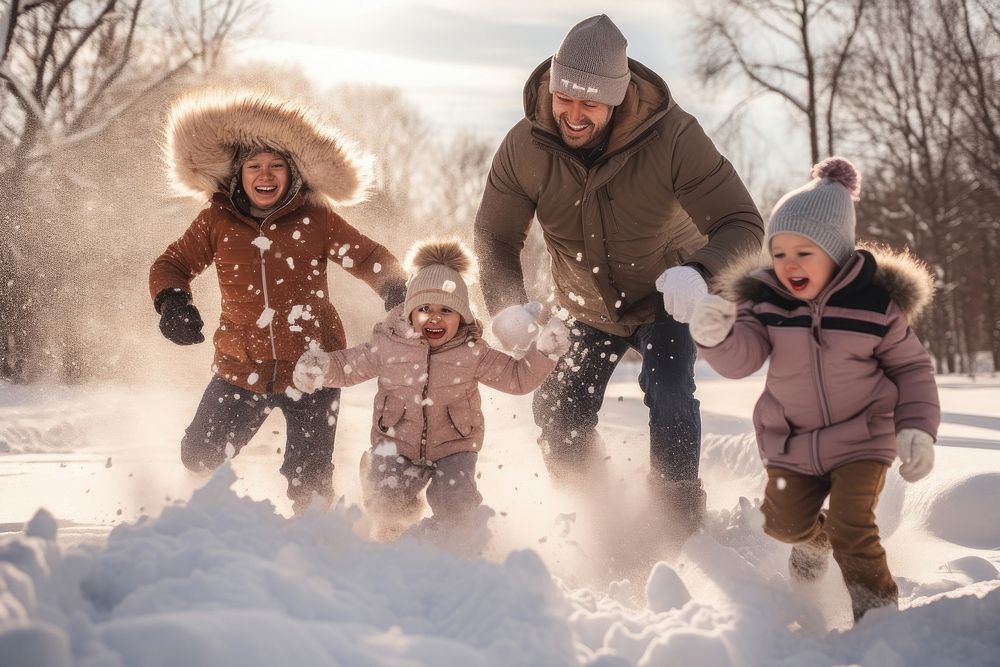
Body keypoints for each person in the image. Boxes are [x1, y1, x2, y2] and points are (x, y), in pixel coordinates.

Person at [473, 14, 764, 533]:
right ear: (552, 86)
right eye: (565, 98)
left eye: (590, 103)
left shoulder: (674, 135)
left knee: (671, 390)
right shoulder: (526, 146)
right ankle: (590, 507)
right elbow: (495, 237)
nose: (574, 114)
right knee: (559, 408)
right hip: (584, 305)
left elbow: (742, 224)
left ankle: (677, 517)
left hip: (667, 296)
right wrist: (506, 304)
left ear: (618, 96)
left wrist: (700, 273)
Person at [689, 157, 941, 622]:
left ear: (837, 252)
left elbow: (913, 371)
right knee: (783, 524)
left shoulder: (875, 307)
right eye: (779, 252)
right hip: (793, 443)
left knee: (852, 525)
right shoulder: (767, 301)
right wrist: (716, 337)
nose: (789, 265)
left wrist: (918, 429)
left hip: (864, 440)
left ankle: (878, 615)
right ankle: (813, 549)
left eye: (804, 253)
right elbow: (742, 359)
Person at [149, 90, 407, 515]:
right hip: (239, 367)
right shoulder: (218, 219)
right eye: (254, 166)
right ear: (238, 173)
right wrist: (173, 302)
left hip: (311, 369)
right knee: (198, 455)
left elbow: (367, 257)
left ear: (293, 172)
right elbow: (172, 262)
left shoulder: (314, 217)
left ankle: (322, 537)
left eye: (276, 165)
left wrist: (394, 288)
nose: (264, 175)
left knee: (309, 480)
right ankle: (199, 523)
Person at [293, 239, 570, 538]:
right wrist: (321, 367)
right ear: (410, 311)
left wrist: (543, 353)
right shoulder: (388, 344)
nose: (434, 317)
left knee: (458, 507)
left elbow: (517, 378)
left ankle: (450, 549)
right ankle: (390, 536)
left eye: (446, 310)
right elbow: (349, 366)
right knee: (388, 504)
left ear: (461, 317)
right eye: (424, 308)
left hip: (454, 448)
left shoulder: (472, 351)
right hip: (395, 443)